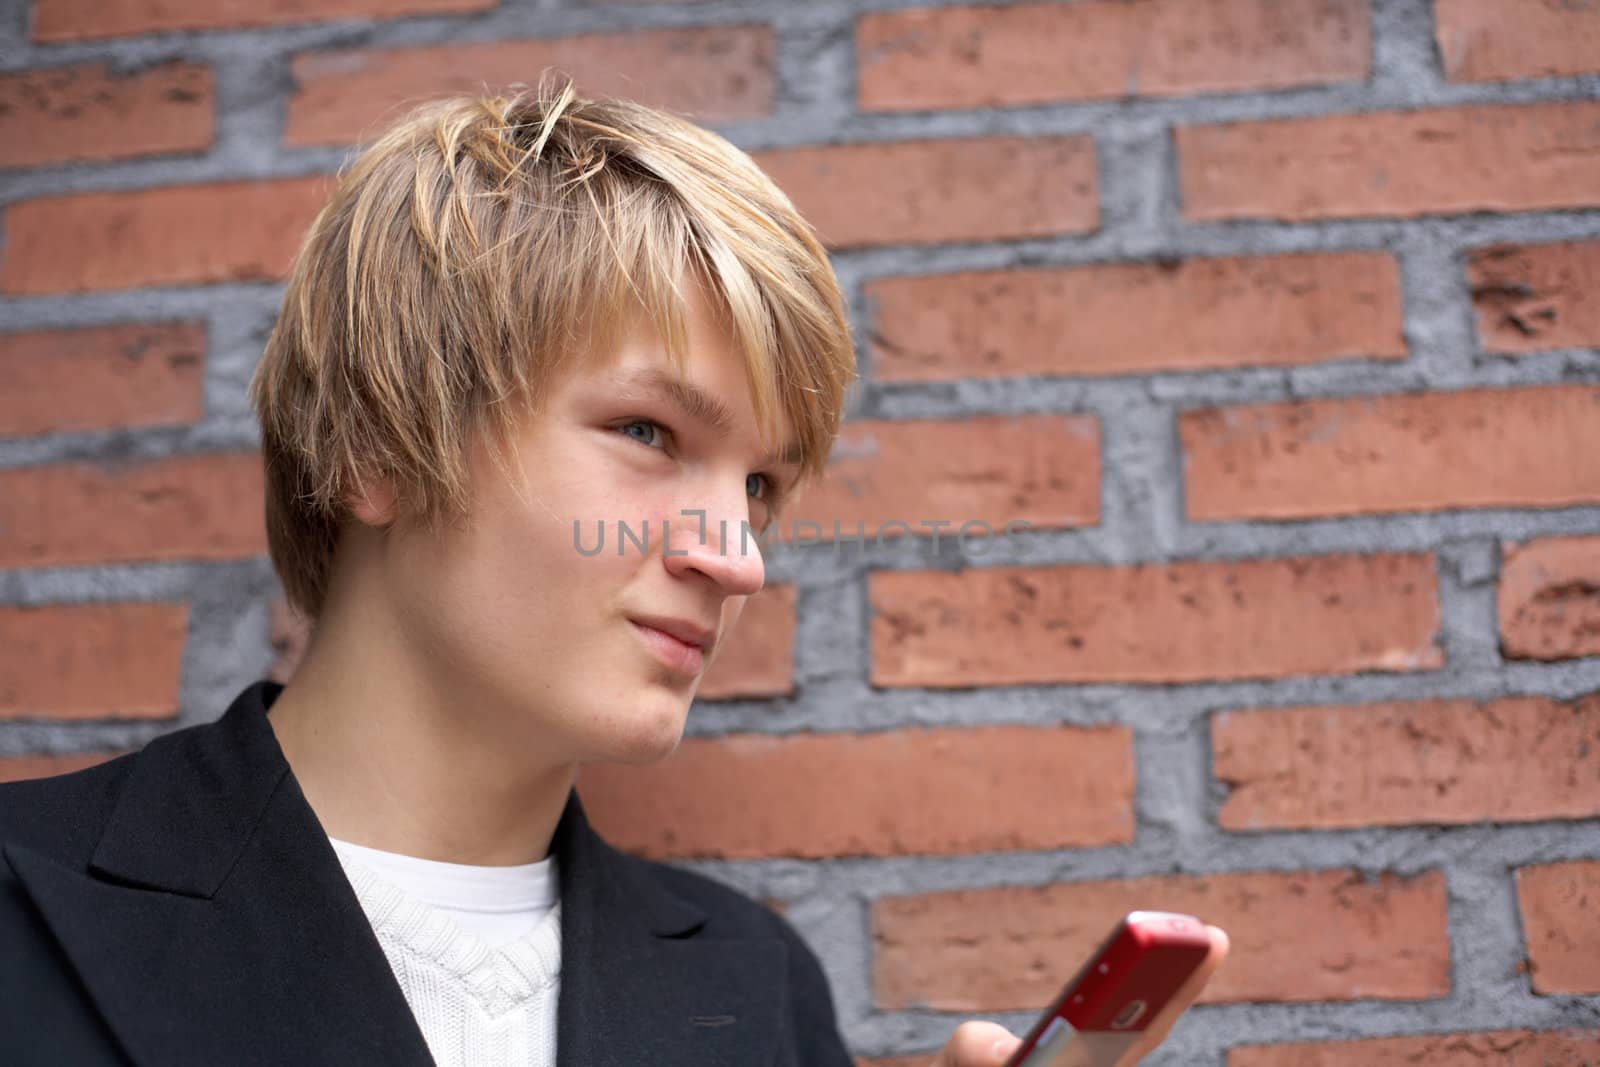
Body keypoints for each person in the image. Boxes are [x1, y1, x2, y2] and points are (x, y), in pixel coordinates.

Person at [0, 80, 1223, 1066]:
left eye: (759, 486)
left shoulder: (754, 989)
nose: (736, 556)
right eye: (649, 434)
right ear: (375, 443)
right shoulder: (25, 908)